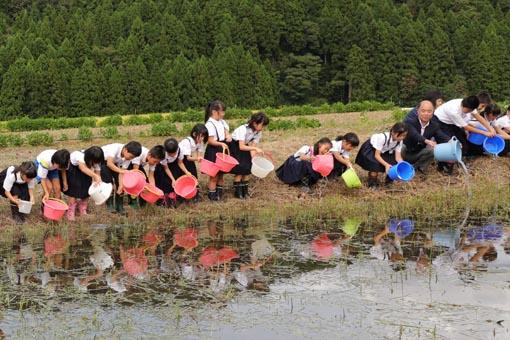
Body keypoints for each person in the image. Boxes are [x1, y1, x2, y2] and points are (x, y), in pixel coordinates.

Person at [230, 112, 270, 199]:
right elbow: (241, 146)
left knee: (248, 168)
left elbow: (253, 147)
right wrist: (255, 149)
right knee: (240, 169)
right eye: (262, 125)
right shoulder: (243, 129)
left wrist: (253, 159)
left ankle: (245, 191)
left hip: (245, 146)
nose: (263, 128)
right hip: (234, 146)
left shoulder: (258, 132)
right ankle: (238, 192)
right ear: (255, 123)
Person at [403, 100, 449, 173]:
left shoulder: (434, 125)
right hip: (404, 152)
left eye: (429, 111)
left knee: (433, 150)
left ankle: (418, 168)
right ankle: (399, 166)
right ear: (417, 111)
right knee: (402, 146)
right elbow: (414, 134)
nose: (426, 114)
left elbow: (441, 135)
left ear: (433, 112)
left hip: (417, 153)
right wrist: (427, 141)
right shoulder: (410, 121)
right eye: (423, 111)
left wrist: (451, 141)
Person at [355, 123, 408, 187]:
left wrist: (402, 164)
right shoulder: (382, 138)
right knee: (374, 165)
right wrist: (386, 165)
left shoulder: (399, 141)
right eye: (400, 135)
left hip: (384, 150)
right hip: (372, 149)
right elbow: (377, 155)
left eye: (404, 136)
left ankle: (388, 182)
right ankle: (372, 183)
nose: (402, 138)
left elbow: (398, 157)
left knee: (393, 163)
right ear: (393, 132)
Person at [63, 147, 104, 221]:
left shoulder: (96, 158)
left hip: (86, 172)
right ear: (89, 157)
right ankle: (70, 212)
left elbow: (97, 170)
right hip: (74, 171)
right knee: (74, 191)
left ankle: (83, 211)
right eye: (94, 161)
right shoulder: (79, 155)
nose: (95, 163)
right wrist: (95, 176)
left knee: (87, 189)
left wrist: (97, 181)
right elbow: (83, 168)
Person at [101, 141, 142, 214]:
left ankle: (119, 206)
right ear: (125, 150)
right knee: (109, 182)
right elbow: (109, 163)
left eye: (133, 158)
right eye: (131, 156)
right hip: (104, 162)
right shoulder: (114, 148)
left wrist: (121, 185)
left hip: (115, 163)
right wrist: (122, 171)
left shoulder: (128, 158)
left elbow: (122, 172)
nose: (131, 159)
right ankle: (109, 205)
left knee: (122, 183)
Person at [154, 138, 192, 207]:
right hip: (163, 167)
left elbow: (180, 163)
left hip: (174, 165)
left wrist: (186, 172)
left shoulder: (180, 150)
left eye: (174, 153)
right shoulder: (163, 154)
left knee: (176, 179)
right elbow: (166, 168)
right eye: (170, 154)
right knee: (165, 181)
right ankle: (163, 198)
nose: (172, 155)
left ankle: (173, 197)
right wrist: (172, 179)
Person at [204, 100, 229, 201]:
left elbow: (226, 131)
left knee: (221, 174)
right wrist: (221, 143)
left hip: (222, 148)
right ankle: (212, 196)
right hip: (214, 150)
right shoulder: (209, 124)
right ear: (214, 112)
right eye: (222, 111)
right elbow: (210, 141)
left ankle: (219, 194)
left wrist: (227, 136)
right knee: (214, 175)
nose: (223, 114)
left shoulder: (221, 121)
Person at [178, 124, 208, 201]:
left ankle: (195, 193)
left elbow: (199, 152)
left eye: (204, 136)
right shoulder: (187, 141)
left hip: (189, 158)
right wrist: (197, 159)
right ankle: (182, 194)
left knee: (193, 174)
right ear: (194, 134)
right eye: (201, 136)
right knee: (183, 174)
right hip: (181, 159)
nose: (202, 138)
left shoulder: (199, 142)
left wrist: (200, 159)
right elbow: (188, 158)